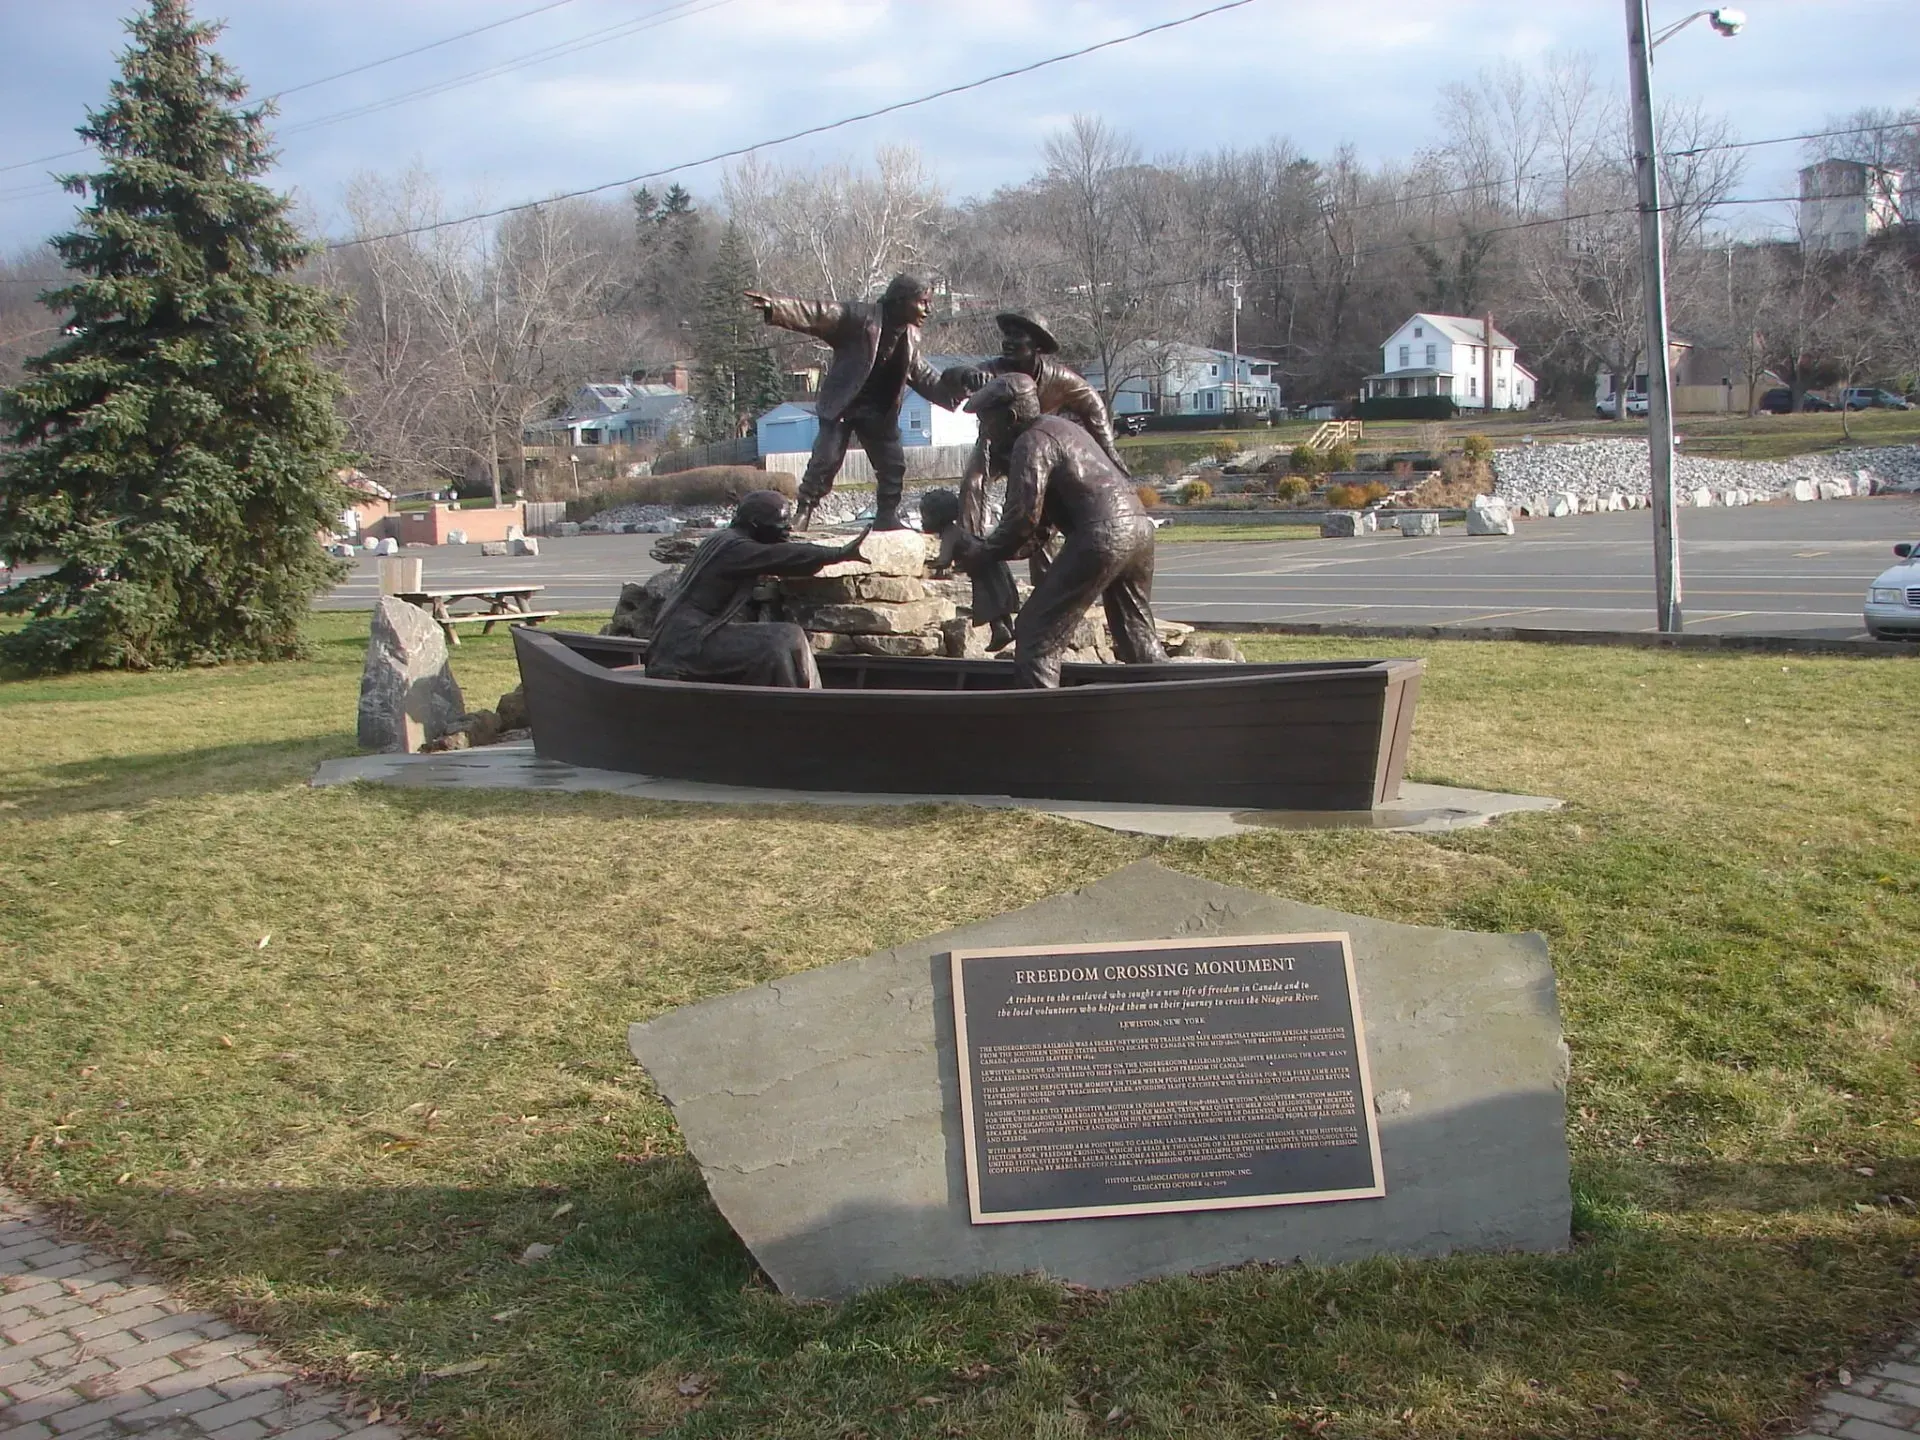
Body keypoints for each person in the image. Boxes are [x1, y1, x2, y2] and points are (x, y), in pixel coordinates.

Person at [950, 375, 1166, 689]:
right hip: (1139, 529)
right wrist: (999, 550)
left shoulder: (1031, 442)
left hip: (1102, 534)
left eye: (987, 424)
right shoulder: (1062, 429)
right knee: (1136, 632)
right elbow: (1040, 528)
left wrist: (984, 552)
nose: (986, 434)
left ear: (1009, 418)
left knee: (1036, 632)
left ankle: (1042, 726)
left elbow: (1021, 519)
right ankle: (1165, 704)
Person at [745, 274, 967, 532]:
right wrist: (777, 307)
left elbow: (921, 375)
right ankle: (804, 511)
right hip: (844, 404)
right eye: (922, 302)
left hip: (878, 411)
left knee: (893, 466)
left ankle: (886, 516)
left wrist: (958, 390)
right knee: (825, 461)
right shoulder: (860, 318)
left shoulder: (911, 337)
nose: (928, 309)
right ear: (900, 300)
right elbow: (818, 313)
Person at [645, 491, 865, 688]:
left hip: (680, 639)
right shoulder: (736, 549)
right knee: (785, 637)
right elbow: (784, 556)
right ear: (755, 523)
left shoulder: (723, 538)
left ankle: (794, 702)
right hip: (685, 646)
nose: (789, 528)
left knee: (782, 639)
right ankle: (799, 706)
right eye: (781, 523)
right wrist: (837, 553)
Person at [945, 311, 1129, 534]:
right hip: (995, 446)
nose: (1008, 342)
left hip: (1039, 453)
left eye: (1017, 336)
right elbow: (950, 377)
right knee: (973, 483)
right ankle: (969, 548)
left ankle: (1046, 565)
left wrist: (1108, 449)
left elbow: (1092, 403)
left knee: (1041, 507)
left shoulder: (1060, 379)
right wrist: (966, 375)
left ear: (1037, 345)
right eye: (1007, 335)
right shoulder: (991, 370)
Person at [918, 487, 1016, 653]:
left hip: (982, 564)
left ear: (937, 517)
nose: (921, 522)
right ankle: (1007, 630)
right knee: (997, 598)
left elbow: (944, 560)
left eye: (925, 517)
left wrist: (926, 565)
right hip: (991, 561)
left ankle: (1000, 632)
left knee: (988, 600)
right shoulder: (956, 531)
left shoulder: (950, 534)